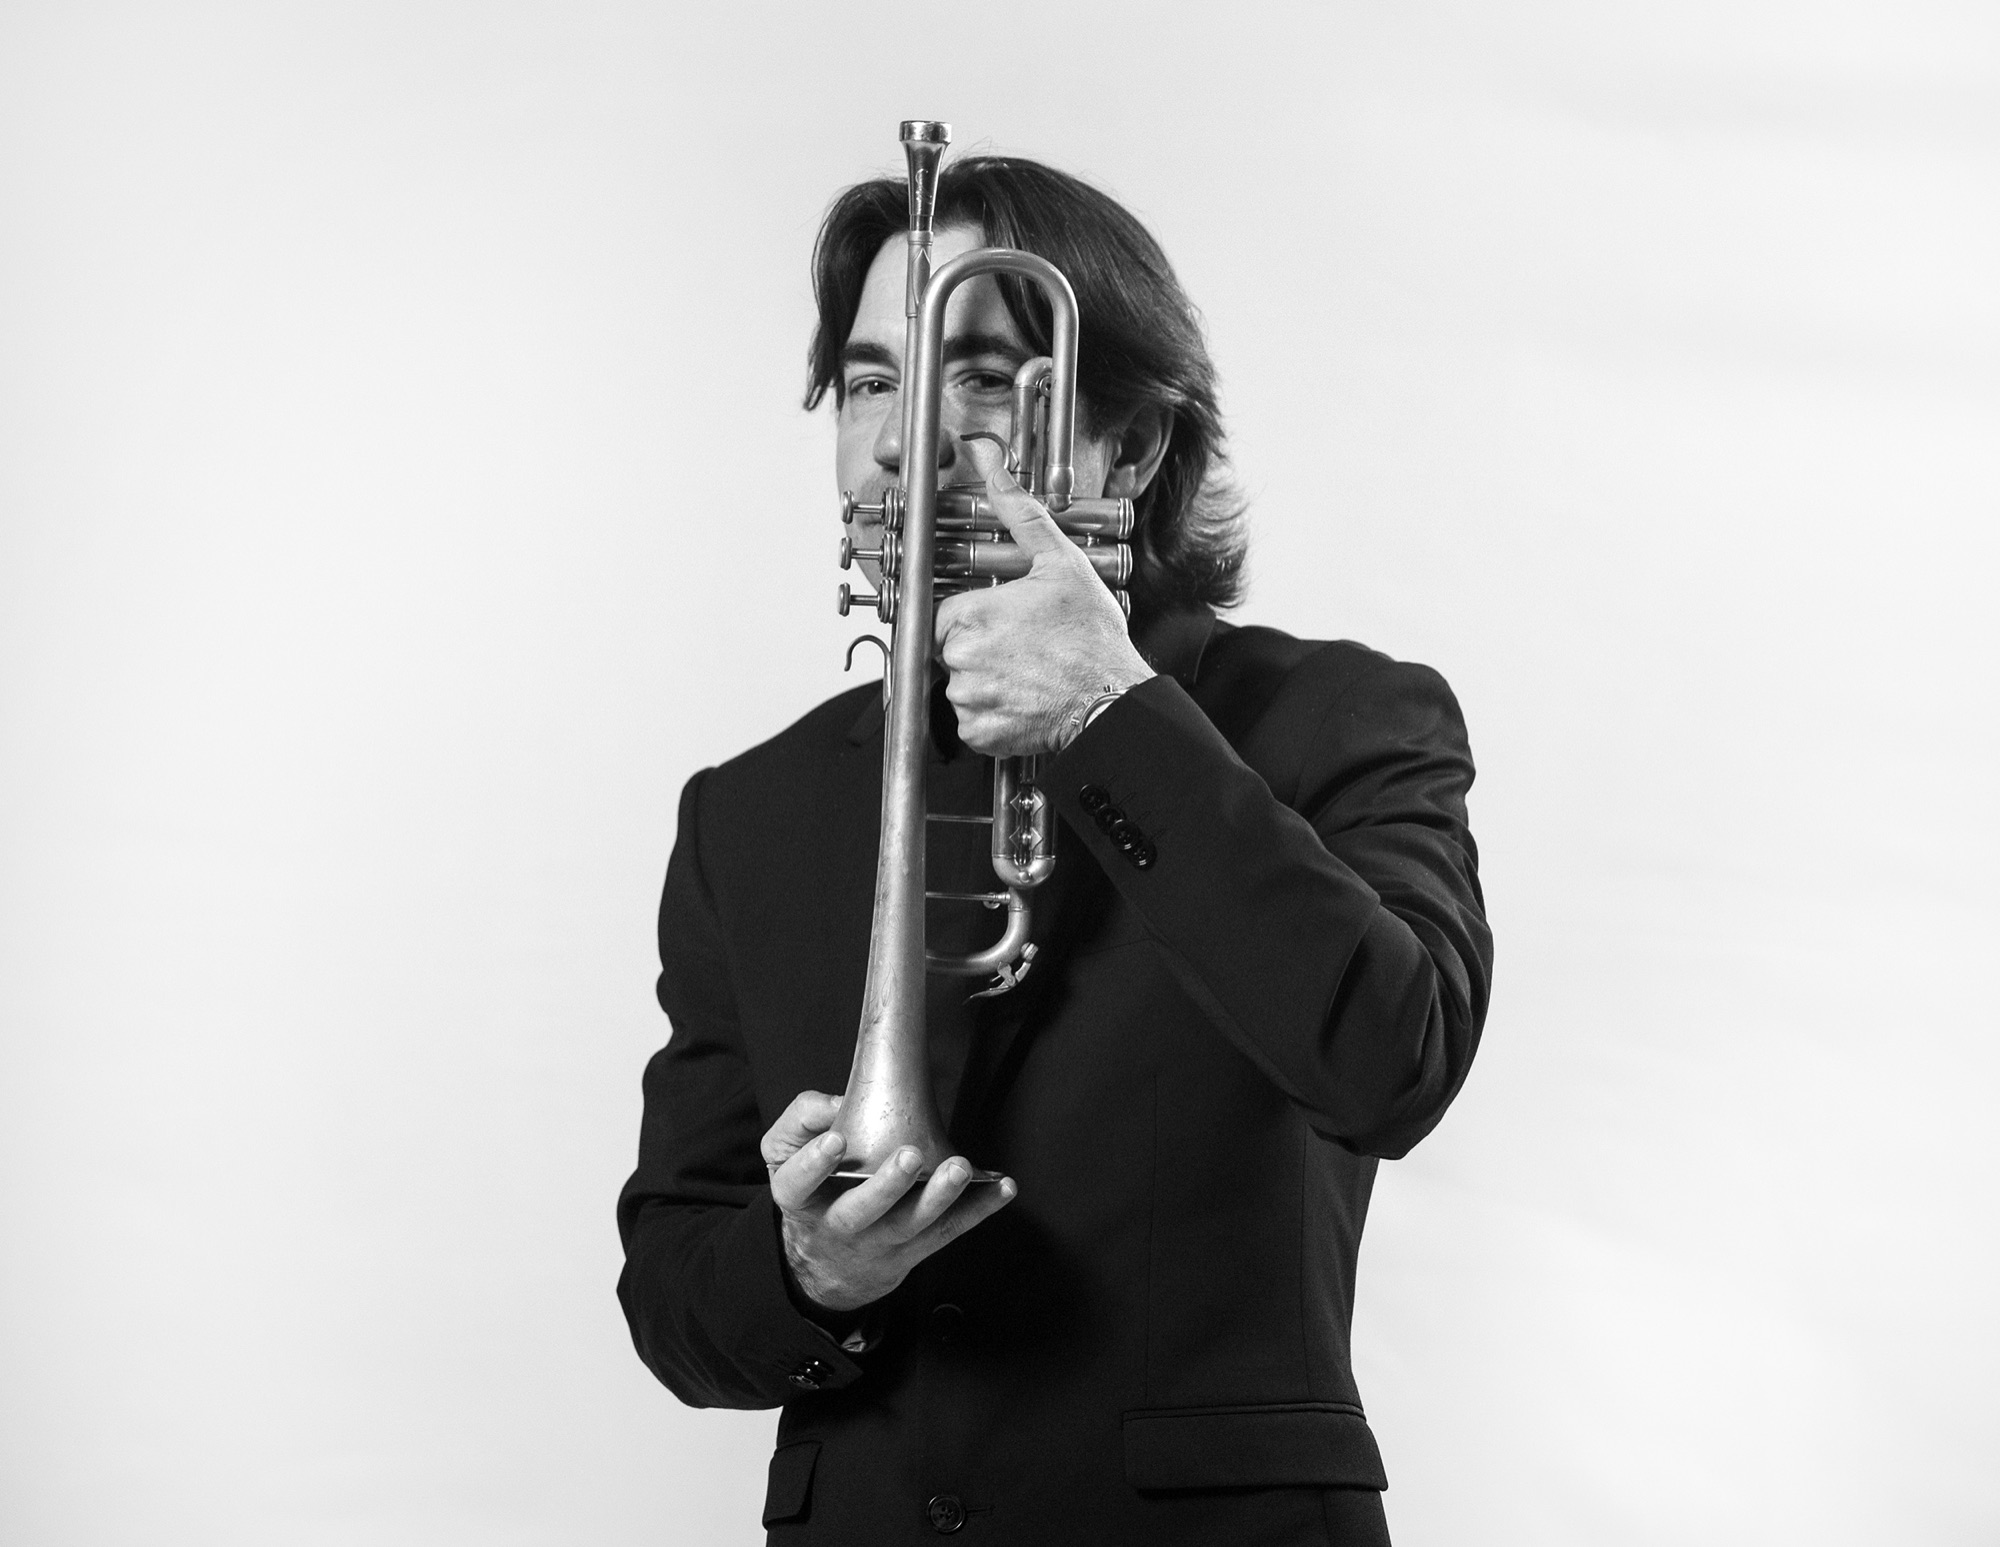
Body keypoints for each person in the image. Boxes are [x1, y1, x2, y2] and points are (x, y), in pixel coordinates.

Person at [617, 149, 1492, 1546]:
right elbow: (672, 1293)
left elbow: (1396, 1061)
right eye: (869, 383)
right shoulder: (749, 810)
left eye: (976, 378)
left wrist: (1109, 716)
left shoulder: (1342, 718)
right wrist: (810, 1273)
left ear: (1128, 453)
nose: (899, 442)